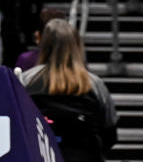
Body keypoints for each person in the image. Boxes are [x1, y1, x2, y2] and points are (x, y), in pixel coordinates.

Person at [18, 19, 117, 162]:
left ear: (44, 45)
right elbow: (110, 135)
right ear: (77, 46)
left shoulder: (26, 81)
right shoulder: (95, 85)